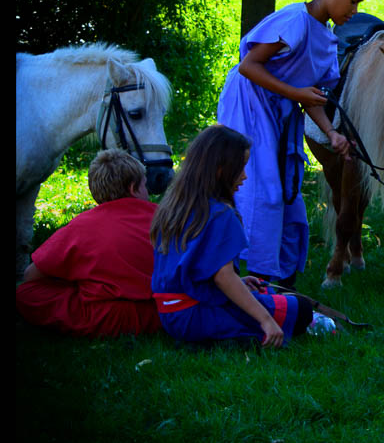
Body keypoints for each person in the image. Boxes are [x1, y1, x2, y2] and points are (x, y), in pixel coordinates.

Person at [217, 0, 371, 287]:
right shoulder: (294, 20)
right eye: (353, 1)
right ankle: (254, 279)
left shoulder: (326, 38)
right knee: (263, 190)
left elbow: (310, 94)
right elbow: (248, 67)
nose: (355, 11)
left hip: (281, 112)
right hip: (249, 104)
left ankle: (282, 282)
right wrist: (296, 94)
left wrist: (332, 133)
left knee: (288, 191)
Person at [149, 124, 314, 348]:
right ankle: (231, 337)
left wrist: (241, 281)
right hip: (196, 313)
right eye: (241, 167)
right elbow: (223, 277)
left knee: (272, 296)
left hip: (170, 314)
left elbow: (197, 271)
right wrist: (266, 320)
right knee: (301, 309)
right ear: (220, 169)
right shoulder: (220, 214)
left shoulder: (174, 206)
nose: (245, 176)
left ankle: (221, 335)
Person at [16, 149, 162, 337]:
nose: (148, 191)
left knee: (26, 293)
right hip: (159, 311)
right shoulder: (162, 215)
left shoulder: (81, 226)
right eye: (145, 185)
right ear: (133, 188)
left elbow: (31, 276)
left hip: (107, 316)